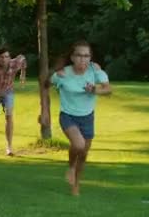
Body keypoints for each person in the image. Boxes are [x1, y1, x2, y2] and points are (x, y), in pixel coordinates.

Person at [45, 40, 111, 196]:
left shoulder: (95, 71)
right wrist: (45, 111)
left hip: (87, 117)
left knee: (83, 154)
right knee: (79, 144)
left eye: (87, 56)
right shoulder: (62, 74)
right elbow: (45, 86)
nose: (83, 59)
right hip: (68, 116)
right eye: (79, 55)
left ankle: (76, 184)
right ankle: (71, 168)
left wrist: (95, 90)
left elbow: (108, 90)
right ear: (72, 57)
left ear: (91, 58)